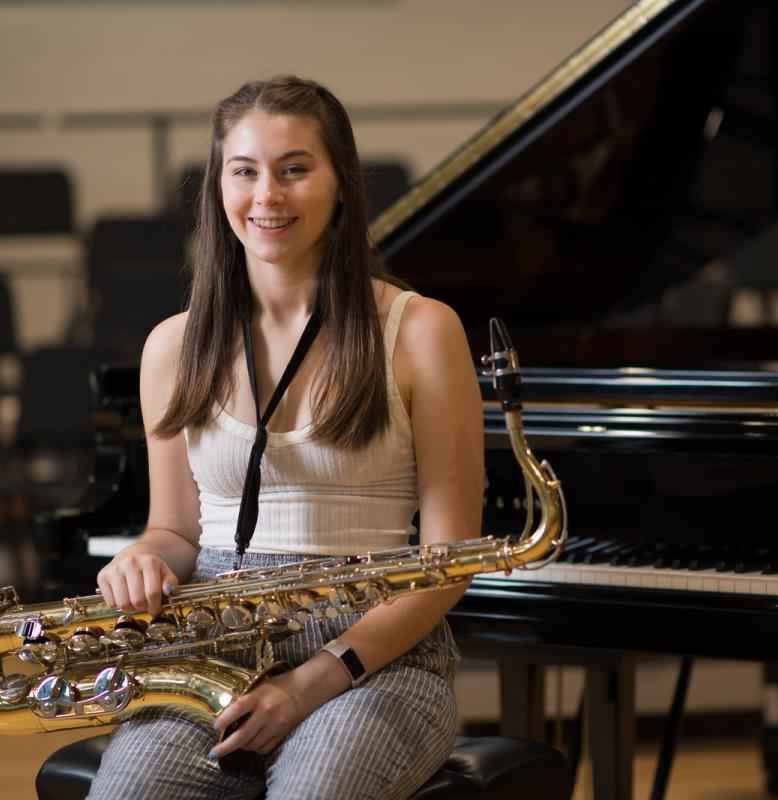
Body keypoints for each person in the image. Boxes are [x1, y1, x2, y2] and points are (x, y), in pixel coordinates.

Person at [87, 75, 484, 800]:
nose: (267, 195)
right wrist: (141, 559)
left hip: (378, 660)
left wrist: (310, 683)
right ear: (218, 189)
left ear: (341, 186)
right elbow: (175, 529)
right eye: (244, 171)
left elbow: (448, 563)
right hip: (212, 646)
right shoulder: (170, 348)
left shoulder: (423, 331)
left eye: (295, 169)